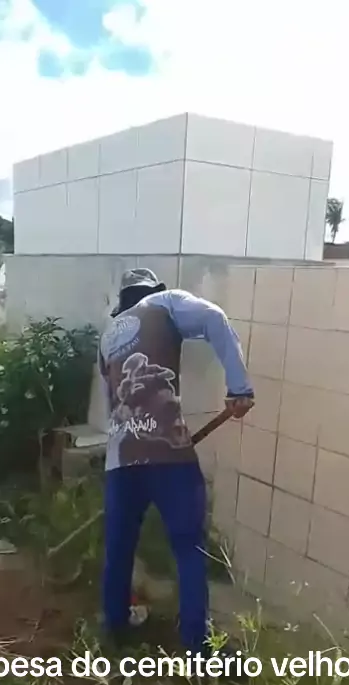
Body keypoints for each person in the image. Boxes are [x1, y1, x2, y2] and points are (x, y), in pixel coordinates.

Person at [98, 268, 254, 660]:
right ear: (151, 290)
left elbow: (112, 401)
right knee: (188, 547)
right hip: (168, 453)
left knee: (119, 547)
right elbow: (214, 318)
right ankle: (197, 646)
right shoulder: (165, 303)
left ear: (123, 302)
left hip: (121, 457)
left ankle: (116, 627)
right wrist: (239, 388)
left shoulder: (109, 335)